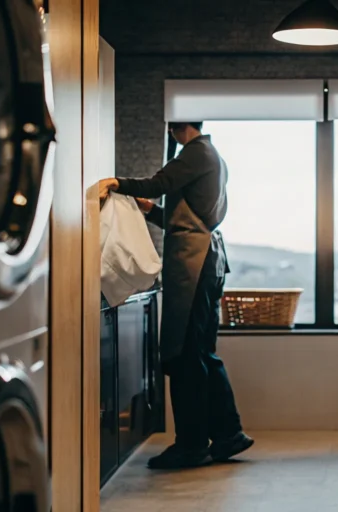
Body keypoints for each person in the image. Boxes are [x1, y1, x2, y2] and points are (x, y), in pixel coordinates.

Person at [98, 121, 253, 469]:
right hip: (207, 262)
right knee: (201, 353)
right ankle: (228, 434)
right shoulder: (213, 156)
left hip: (193, 265)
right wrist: (150, 210)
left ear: (175, 126)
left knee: (183, 355)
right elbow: (184, 217)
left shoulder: (196, 152)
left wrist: (115, 183)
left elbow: (159, 183)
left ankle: (192, 445)